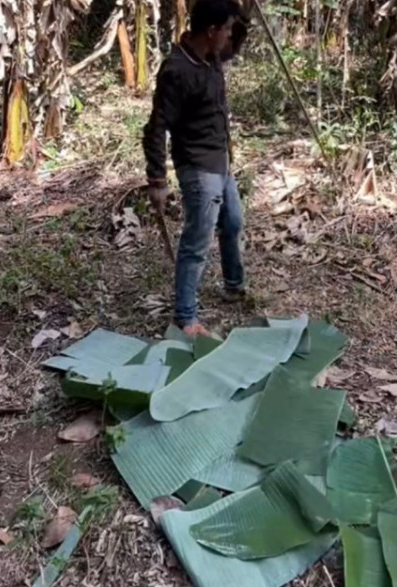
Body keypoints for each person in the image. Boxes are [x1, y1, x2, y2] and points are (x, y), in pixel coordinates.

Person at [142, 0, 250, 338]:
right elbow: (156, 128)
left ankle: (234, 286)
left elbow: (238, 37)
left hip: (221, 162)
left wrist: (240, 15)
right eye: (227, 30)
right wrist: (157, 178)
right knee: (196, 243)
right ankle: (185, 318)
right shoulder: (177, 70)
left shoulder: (212, 56)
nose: (231, 38)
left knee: (232, 223)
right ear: (212, 31)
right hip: (198, 169)